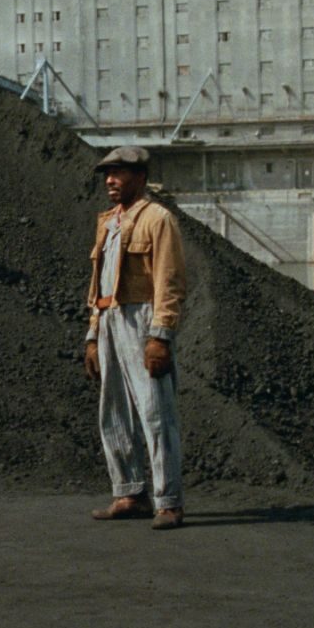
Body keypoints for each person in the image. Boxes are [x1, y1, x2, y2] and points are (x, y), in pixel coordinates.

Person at [82, 146, 188, 530]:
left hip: (141, 319)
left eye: (119, 173)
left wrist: (160, 335)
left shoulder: (158, 219)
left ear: (140, 177)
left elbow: (169, 281)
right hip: (110, 318)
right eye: (107, 173)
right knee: (114, 412)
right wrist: (93, 335)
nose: (110, 180)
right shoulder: (108, 222)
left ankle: (168, 502)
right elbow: (99, 285)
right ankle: (129, 492)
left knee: (156, 413)